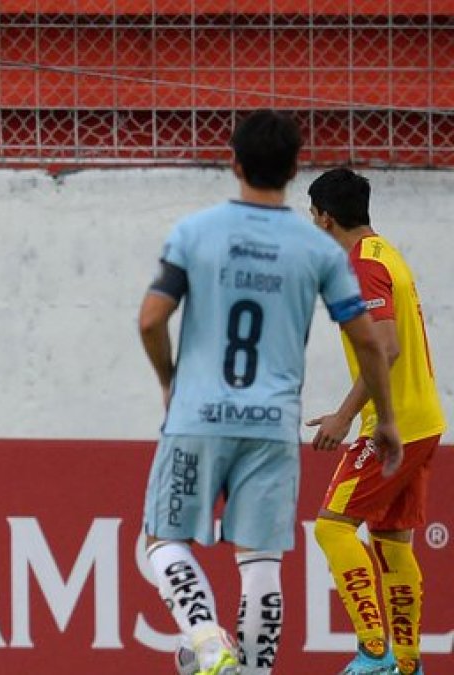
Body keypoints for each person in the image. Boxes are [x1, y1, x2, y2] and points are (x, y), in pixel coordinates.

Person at [137, 111, 402, 675]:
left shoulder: (194, 232)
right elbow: (371, 343)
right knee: (259, 562)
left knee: (164, 540)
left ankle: (208, 642)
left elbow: (151, 320)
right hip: (271, 424)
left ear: (233, 162)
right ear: (292, 169)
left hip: (197, 415)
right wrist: (384, 419)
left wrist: (168, 380)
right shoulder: (321, 253)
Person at [307, 168, 445, 675]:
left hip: (395, 426)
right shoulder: (387, 254)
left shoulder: (361, 266)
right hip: (424, 420)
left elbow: (385, 349)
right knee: (390, 540)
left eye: (312, 213)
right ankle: (408, 665)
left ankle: (374, 651)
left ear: (324, 218)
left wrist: (346, 416)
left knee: (332, 528)